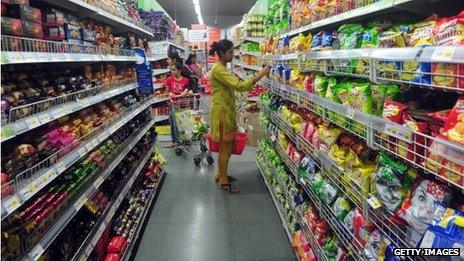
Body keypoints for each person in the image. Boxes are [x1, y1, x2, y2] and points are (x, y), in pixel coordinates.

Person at [209, 39, 270, 193]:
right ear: (222, 53)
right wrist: (261, 74)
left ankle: (220, 173)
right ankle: (223, 180)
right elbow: (239, 86)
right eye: (230, 52)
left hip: (226, 112)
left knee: (227, 148)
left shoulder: (221, 67)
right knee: (225, 148)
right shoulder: (218, 69)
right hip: (222, 114)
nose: (233, 55)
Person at [164, 62, 190, 148]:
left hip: (183, 104)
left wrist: (182, 94)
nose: (172, 71)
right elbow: (166, 92)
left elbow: (187, 91)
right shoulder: (169, 80)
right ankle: (174, 141)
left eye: (174, 69)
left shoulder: (186, 80)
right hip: (173, 105)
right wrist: (169, 94)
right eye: (171, 69)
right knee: (173, 123)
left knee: (184, 123)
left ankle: (186, 139)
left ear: (180, 70)